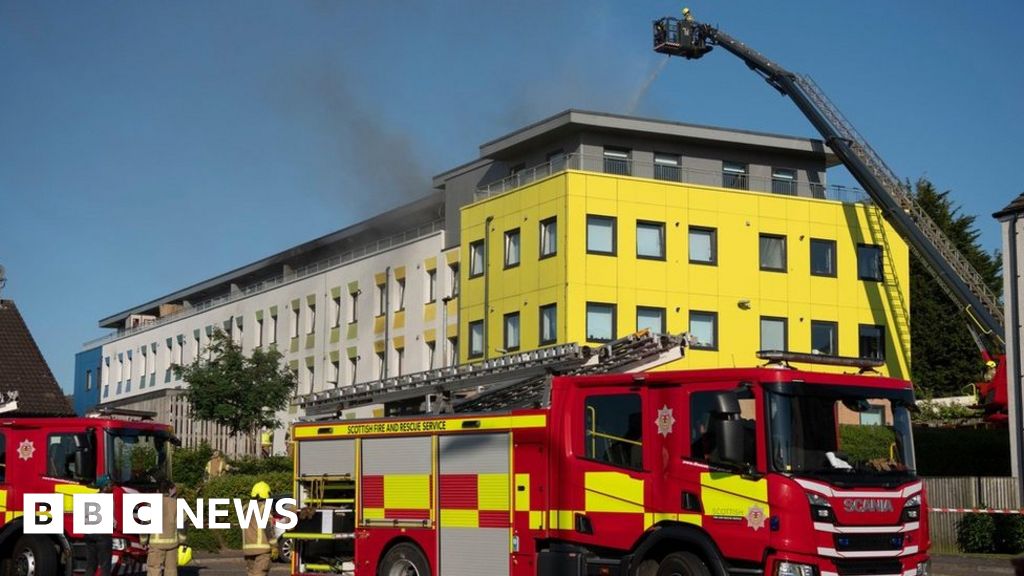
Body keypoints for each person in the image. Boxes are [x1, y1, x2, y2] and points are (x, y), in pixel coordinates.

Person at [144, 481, 181, 576]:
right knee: (171, 570)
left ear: (157, 491)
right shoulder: (176, 504)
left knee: (154, 569)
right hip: (172, 544)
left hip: (156, 544)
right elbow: (183, 524)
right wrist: (181, 540)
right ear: (169, 490)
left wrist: (143, 541)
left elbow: (144, 524)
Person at [242, 481, 277, 576]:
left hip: (248, 549)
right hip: (262, 550)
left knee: (251, 574)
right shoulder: (264, 508)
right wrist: (274, 546)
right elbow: (269, 529)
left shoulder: (245, 508)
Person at [84, 475, 114, 576]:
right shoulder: (108, 499)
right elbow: (112, 520)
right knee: (105, 566)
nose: (112, 487)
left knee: (90, 565)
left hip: (89, 535)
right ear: (104, 487)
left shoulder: (90, 498)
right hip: (103, 535)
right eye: (110, 485)